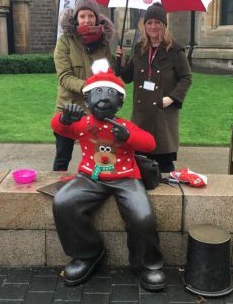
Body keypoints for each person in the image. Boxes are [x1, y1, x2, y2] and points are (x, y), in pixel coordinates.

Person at [51, 59, 166, 291]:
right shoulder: (82, 123)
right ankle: (87, 253)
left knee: (142, 216)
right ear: (86, 99)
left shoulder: (124, 125)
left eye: (110, 93)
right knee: (63, 202)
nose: (104, 97)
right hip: (89, 178)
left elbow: (150, 143)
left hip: (126, 178)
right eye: (98, 92)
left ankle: (146, 264)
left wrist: (129, 138)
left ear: (120, 101)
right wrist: (64, 119)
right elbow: (57, 127)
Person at [116, 2, 192, 173]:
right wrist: (120, 60)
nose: (153, 26)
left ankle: (169, 198)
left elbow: (186, 78)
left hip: (163, 114)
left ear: (164, 25)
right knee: (140, 163)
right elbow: (127, 77)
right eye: (149, 22)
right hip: (141, 115)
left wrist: (171, 98)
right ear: (144, 26)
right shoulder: (138, 49)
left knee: (164, 164)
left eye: (157, 22)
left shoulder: (175, 50)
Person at [52, 0, 115, 171]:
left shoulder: (103, 43)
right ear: (76, 18)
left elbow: (109, 76)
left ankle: (95, 188)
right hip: (69, 109)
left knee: (98, 157)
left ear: (97, 18)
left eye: (90, 16)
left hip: (96, 111)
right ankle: (57, 192)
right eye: (82, 16)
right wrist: (90, 86)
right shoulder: (65, 41)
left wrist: (118, 59)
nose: (87, 20)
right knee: (62, 157)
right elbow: (64, 76)